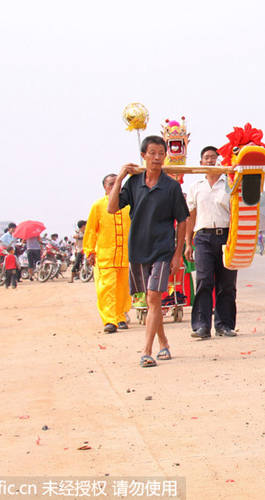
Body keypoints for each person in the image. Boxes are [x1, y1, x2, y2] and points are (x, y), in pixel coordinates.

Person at [109, 136, 189, 367]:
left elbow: (182, 220)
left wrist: (177, 254)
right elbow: (112, 207)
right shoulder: (133, 183)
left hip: (162, 250)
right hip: (137, 249)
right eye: (152, 153)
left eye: (161, 153)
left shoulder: (171, 186)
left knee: (154, 297)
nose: (157, 157)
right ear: (143, 156)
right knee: (151, 300)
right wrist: (121, 177)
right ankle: (164, 342)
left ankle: (147, 351)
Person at [184, 145, 238, 340]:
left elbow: (237, 213)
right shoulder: (195, 186)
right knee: (204, 280)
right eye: (206, 157)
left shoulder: (229, 183)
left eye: (213, 157)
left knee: (227, 283)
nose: (209, 160)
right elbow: (191, 215)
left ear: (219, 160)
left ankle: (224, 325)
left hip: (226, 237)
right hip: (203, 237)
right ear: (200, 162)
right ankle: (201, 326)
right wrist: (188, 242)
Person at [85, 174, 132, 333]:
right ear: (104, 187)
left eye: (117, 183)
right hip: (106, 256)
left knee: (122, 289)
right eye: (111, 184)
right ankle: (109, 321)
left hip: (125, 256)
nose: (114, 187)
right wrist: (90, 251)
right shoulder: (98, 206)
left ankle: (120, 317)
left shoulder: (128, 206)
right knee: (107, 289)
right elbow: (91, 230)